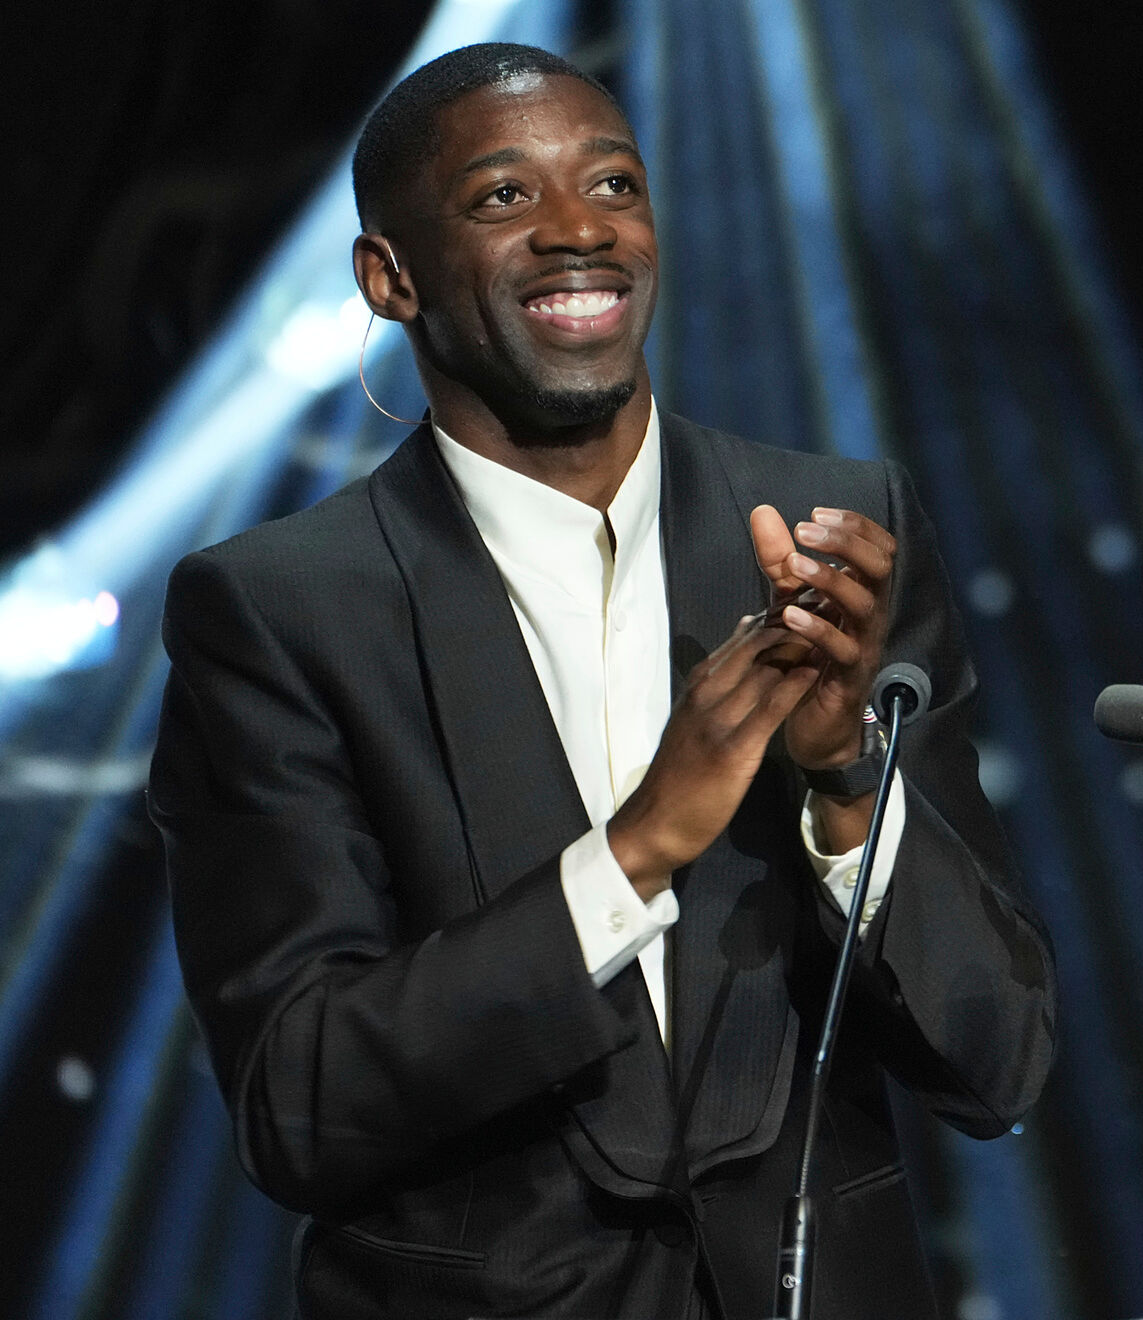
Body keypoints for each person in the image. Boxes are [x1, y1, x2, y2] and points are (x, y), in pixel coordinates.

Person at [149, 43, 1055, 1320]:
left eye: (615, 184)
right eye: (503, 196)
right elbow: (298, 1104)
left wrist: (846, 785)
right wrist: (633, 854)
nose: (581, 229)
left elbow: (999, 1061)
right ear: (390, 276)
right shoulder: (282, 609)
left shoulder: (839, 534)